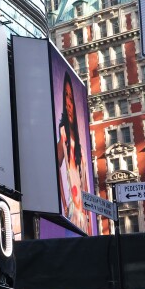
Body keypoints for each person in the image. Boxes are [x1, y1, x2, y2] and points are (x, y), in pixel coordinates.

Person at [56, 72, 91, 234]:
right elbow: (55, 166)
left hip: (83, 215)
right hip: (71, 213)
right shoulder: (63, 136)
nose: (69, 103)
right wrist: (63, 202)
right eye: (66, 97)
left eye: (71, 98)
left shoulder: (81, 149)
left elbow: (85, 186)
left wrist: (88, 213)